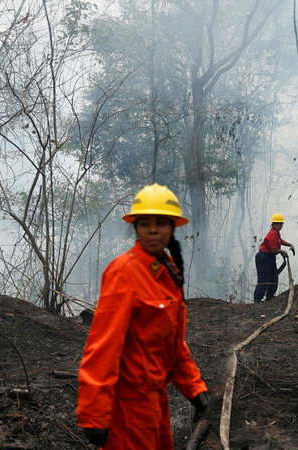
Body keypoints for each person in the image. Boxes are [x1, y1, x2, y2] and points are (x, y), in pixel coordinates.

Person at [76, 183, 209, 449]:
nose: (152, 230)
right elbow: (102, 347)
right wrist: (94, 415)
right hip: (128, 407)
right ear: (135, 228)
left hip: (155, 402)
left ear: (172, 228)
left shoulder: (166, 272)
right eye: (144, 222)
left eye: (161, 223)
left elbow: (171, 341)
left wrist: (194, 389)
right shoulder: (123, 273)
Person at [253, 213, 295, 303]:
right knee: (263, 278)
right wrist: (282, 252)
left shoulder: (276, 233)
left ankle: (270, 296)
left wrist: (290, 244)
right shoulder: (272, 234)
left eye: (281, 224)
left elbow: (280, 241)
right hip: (264, 258)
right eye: (279, 224)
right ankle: (257, 299)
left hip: (270, 258)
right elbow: (273, 249)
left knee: (273, 277)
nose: (281, 226)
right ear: (274, 224)